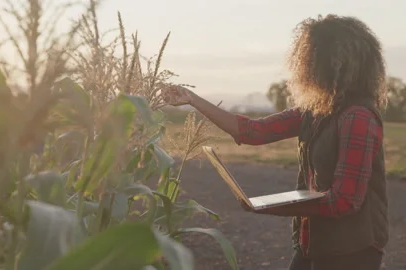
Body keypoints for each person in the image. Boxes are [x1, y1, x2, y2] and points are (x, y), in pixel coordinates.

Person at [162, 14, 389, 270]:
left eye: (309, 57)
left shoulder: (357, 117)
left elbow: (344, 201)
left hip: (352, 250)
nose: (302, 66)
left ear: (331, 64)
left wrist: (268, 206)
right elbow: (253, 132)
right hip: (313, 242)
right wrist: (192, 99)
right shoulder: (313, 111)